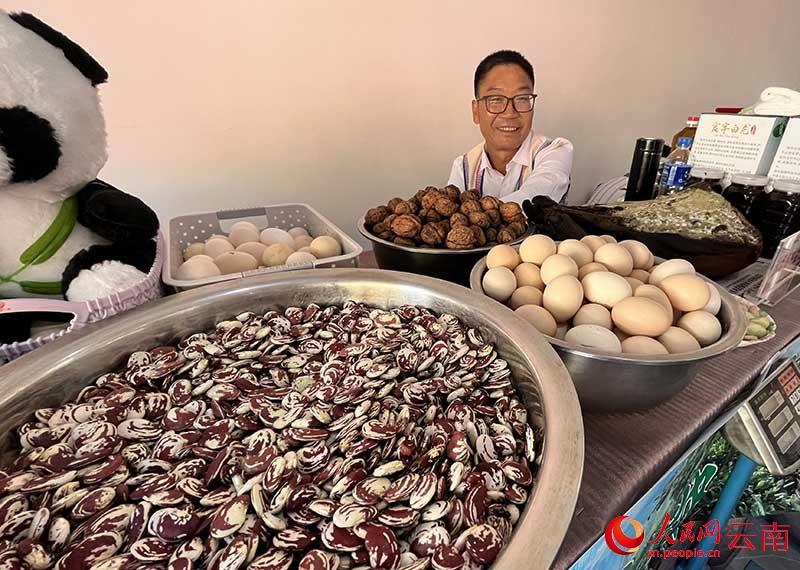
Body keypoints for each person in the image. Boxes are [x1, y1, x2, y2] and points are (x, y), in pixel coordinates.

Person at [447, 50, 573, 204]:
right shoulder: (463, 168)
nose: (509, 113)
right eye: (496, 99)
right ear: (475, 111)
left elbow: (535, 198)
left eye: (521, 98)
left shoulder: (555, 151)